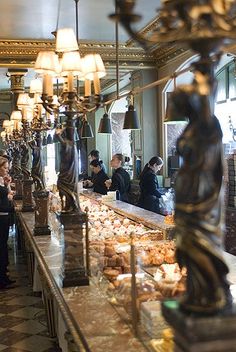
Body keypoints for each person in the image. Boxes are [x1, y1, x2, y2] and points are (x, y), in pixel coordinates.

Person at [0, 156, 15, 288]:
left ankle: (4, 276)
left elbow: (7, 195)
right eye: (4, 168)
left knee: (3, 247)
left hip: (4, 217)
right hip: (1, 217)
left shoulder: (1, 181)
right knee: (1, 248)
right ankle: (1, 279)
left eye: (7, 167)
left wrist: (7, 184)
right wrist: (12, 208)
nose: (7, 169)